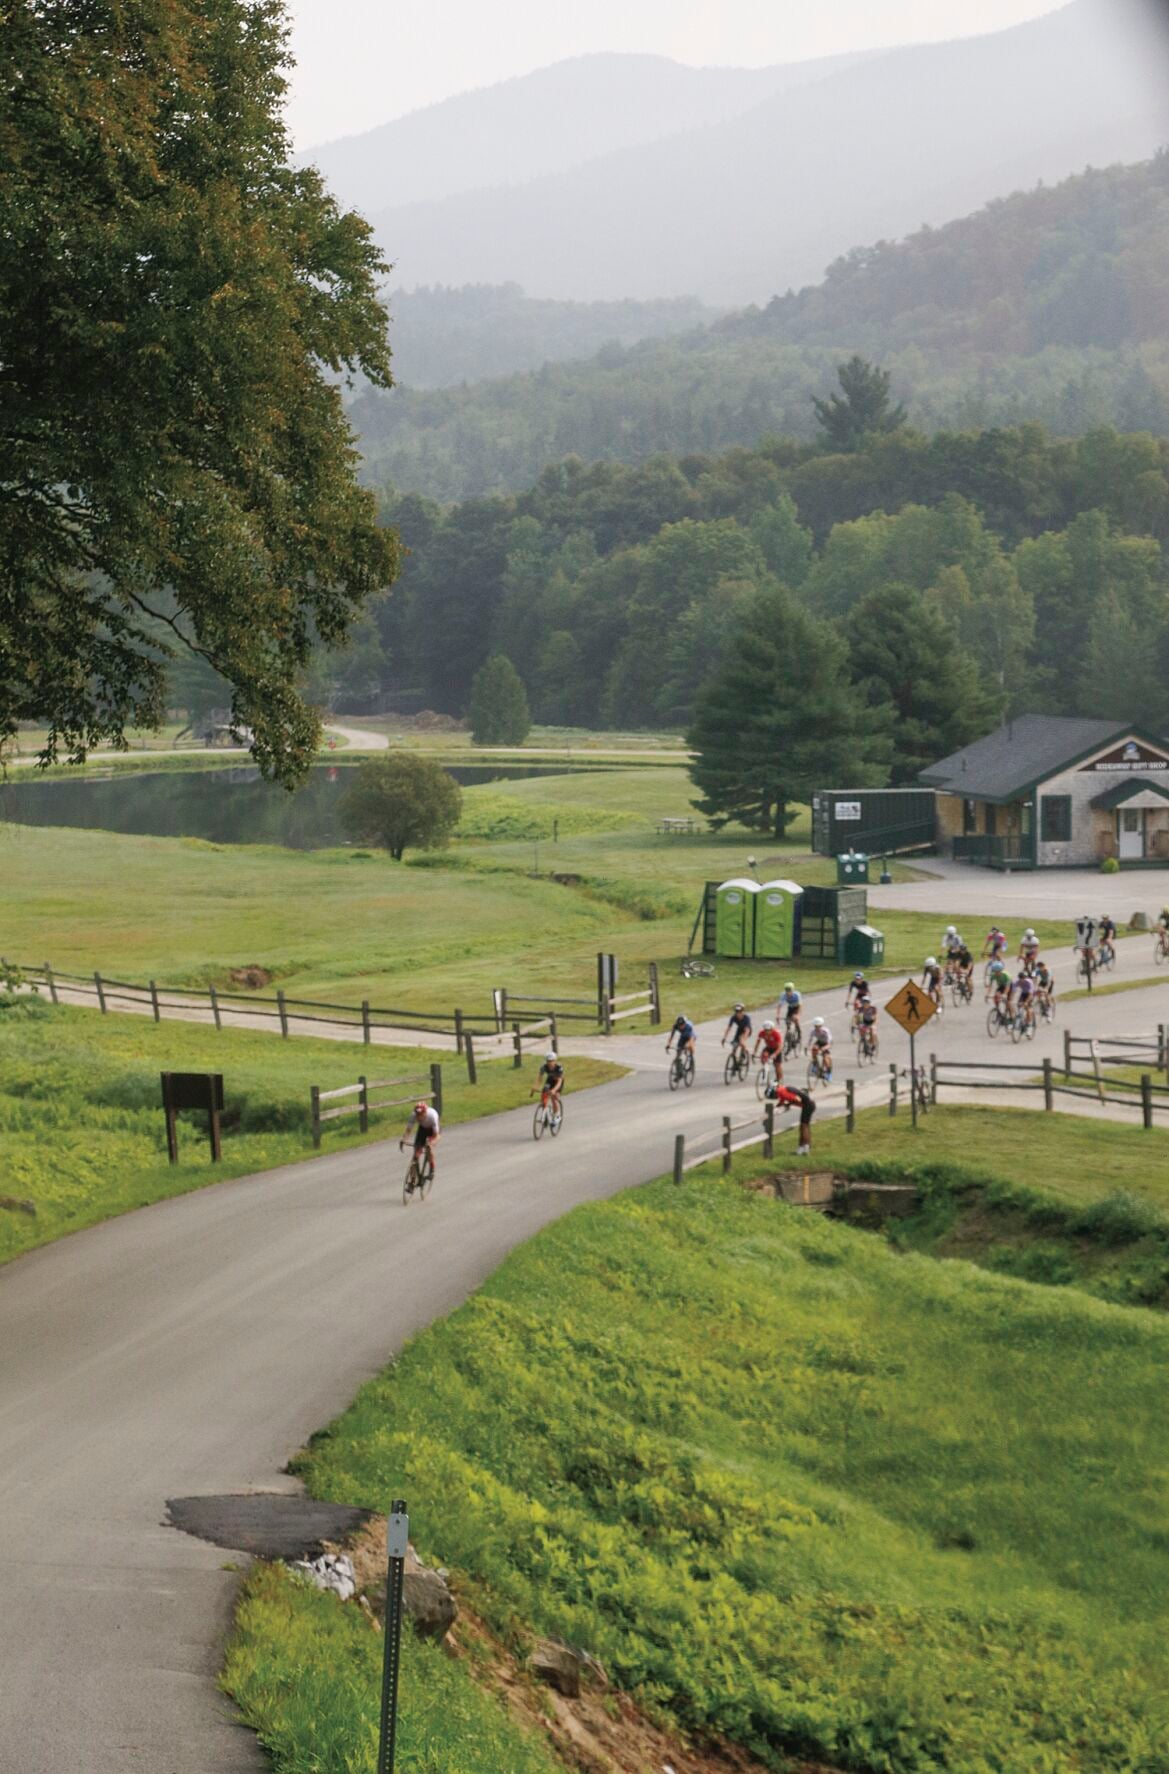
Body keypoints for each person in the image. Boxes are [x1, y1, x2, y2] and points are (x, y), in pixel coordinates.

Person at [766, 1079, 815, 1155]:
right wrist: (776, 1107)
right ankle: (802, 1148)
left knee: (804, 1127)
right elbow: (782, 1101)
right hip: (807, 1105)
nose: (774, 1098)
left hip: (808, 1105)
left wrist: (788, 1104)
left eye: (773, 1096)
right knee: (804, 1127)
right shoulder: (782, 1090)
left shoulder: (781, 1091)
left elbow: (796, 1099)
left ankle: (805, 1148)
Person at [400, 1098, 440, 1177]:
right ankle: (413, 1178)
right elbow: (408, 1130)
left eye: (421, 1115)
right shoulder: (413, 1115)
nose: (418, 1117)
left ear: (425, 1112)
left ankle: (432, 1169)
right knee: (416, 1153)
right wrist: (403, 1139)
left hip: (433, 1130)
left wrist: (431, 1143)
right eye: (417, 1115)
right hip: (422, 1129)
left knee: (429, 1148)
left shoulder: (432, 1116)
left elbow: (436, 1135)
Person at [753, 1018, 784, 1083]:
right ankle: (765, 1070)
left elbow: (780, 1047)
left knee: (777, 1065)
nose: (767, 1032)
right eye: (766, 1030)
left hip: (776, 1049)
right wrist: (754, 1052)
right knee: (764, 1057)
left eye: (769, 1030)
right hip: (768, 1048)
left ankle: (779, 1079)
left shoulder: (776, 1034)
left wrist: (775, 1054)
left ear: (772, 1029)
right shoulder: (761, 1033)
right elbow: (757, 1043)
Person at [808, 1015, 833, 1081]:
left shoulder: (826, 1031)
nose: (817, 1028)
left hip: (827, 1043)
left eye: (819, 1026)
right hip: (819, 1042)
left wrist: (824, 1048)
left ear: (821, 1025)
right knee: (814, 1049)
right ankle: (815, 1064)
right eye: (816, 1026)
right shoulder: (813, 1031)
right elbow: (810, 1040)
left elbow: (829, 1043)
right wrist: (807, 1047)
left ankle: (829, 1073)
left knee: (825, 1058)